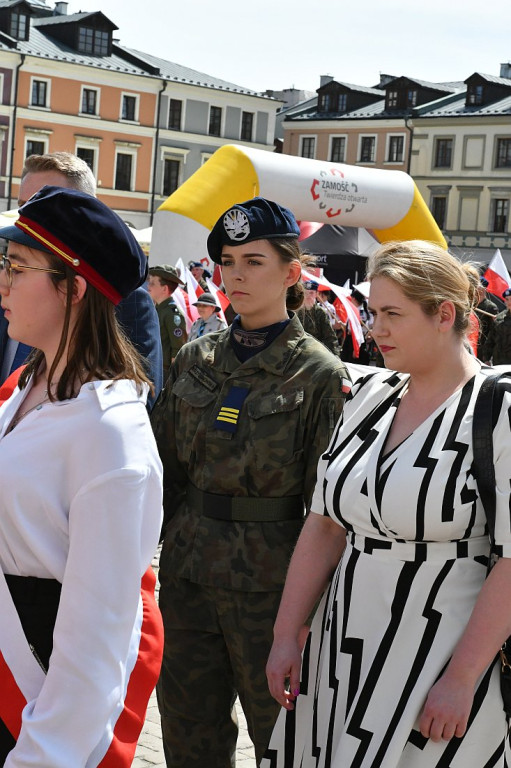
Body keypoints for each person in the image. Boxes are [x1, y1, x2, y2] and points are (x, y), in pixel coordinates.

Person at [263, 239, 511, 767]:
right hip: (340, 652)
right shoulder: (369, 397)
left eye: (393, 314)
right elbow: (324, 525)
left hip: (438, 656)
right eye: (374, 312)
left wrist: (462, 678)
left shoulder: (498, 407)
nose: (375, 329)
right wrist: (286, 634)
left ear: (444, 315)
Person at [151, 197, 350, 767]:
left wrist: (310, 613)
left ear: (292, 273)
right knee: (189, 730)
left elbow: (326, 506)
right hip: (188, 574)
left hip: (274, 588)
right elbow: (163, 469)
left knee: (281, 739)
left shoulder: (318, 374)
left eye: (254, 261)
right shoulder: (196, 357)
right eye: (228, 260)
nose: (235, 274)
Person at [0, 185, 163, 766]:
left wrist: (43, 755)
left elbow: (98, 631)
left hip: (32, 690)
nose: (3, 283)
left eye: (17, 267)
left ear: (73, 289)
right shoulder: (22, 389)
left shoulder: (108, 434)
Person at [15, 151, 163, 409]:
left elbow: (138, 400)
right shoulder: (10, 281)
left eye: (47, 206)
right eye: (23, 206)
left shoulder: (127, 299)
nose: (28, 220)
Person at [147, 264, 188, 379]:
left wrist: (172, 379)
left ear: (164, 289)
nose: (148, 286)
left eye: (152, 283)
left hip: (163, 372)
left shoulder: (172, 314)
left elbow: (178, 349)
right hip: (152, 366)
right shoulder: (157, 309)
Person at [296, 280, 341, 356]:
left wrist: (335, 356)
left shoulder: (320, 313)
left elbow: (330, 338)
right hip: (298, 353)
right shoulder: (296, 311)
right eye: (306, 293)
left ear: (316, 294)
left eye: (311, 293)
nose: (308, 296)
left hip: (315, 354)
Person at [482, 286, 511, 365]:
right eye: (507, 299)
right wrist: (486, 358)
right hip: (499, 362)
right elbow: (491, 339)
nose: (509, 303)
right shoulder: (499, 317)